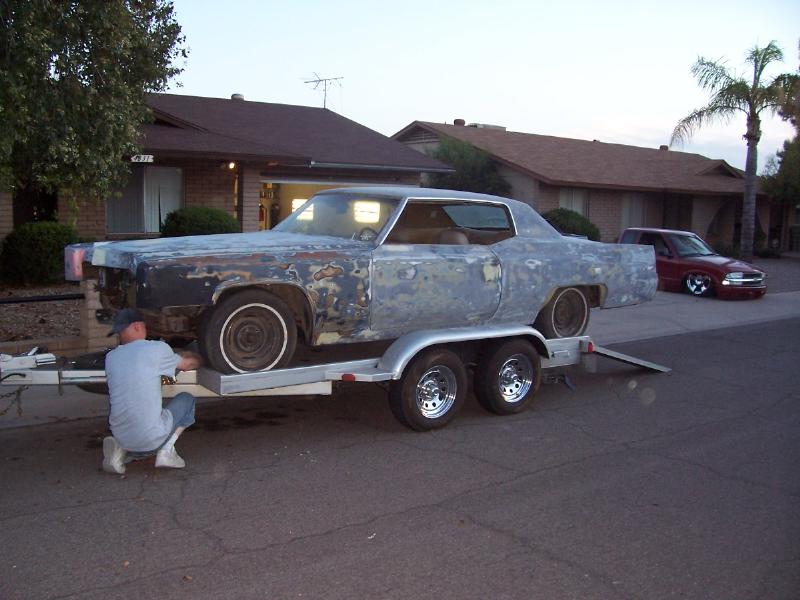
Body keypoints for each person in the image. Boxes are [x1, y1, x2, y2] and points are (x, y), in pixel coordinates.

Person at [101, 308, 202, 474]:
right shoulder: (157, 349)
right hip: (151, 441)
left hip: (121, 436)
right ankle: (166, 450)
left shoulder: (111, 357)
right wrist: (200, 356)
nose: (120, 336)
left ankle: (121, 451)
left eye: (120, 332)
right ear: (138, 326)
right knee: (187, 398)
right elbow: (187, 364)